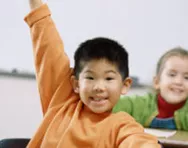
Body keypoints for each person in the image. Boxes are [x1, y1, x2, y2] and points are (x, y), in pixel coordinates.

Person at [24, 0, 161, 147]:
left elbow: (139, 142)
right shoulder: (61, 101)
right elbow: (48, 47)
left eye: (109, 78)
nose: (99, 87)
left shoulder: (122, 125)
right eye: (90, 77)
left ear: (125, 85)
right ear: (76, 84)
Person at [113, 47, 188, 131]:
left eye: (186, 77)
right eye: (172, 75)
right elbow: (111, 104)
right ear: (157, 82)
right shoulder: (139, 105)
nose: (178, 82)